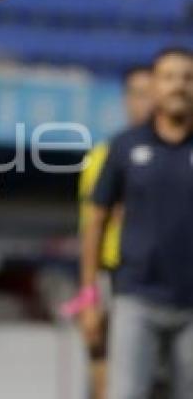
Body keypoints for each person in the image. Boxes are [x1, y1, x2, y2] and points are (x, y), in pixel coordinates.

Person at [80, 48, 193, 399]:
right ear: (155, 87)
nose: (179, 86)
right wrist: (89, 299)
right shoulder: (124, 147)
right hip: (136, 298)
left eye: (188, 78)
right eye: (170, 77)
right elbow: (95, 222)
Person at [71, 66, 152, 399]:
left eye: (150, 93)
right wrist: (88, 297)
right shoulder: (105, 156)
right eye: (137, 93)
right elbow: (92, 226)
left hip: (166, 281)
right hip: (113, 276)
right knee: (107, 372)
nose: (145, 103)